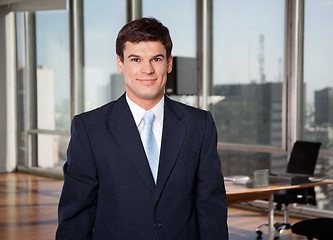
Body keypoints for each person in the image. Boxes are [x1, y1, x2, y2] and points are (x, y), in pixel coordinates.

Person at [56, 17, 228, 240]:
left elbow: (211, 209)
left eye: (156, 59)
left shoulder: (199, 125)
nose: (147, 69)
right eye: (135, 59)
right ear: (120, 63)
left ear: (168, 63)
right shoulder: (90, 128)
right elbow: (75, 216)